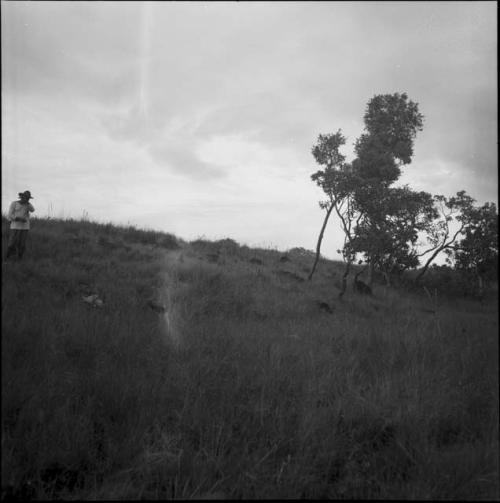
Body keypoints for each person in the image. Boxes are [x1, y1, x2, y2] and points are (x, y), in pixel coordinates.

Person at [6, 191, 35, 260]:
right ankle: (7, 257)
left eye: (28, 198)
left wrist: (28, 203)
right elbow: (10, 215)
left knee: (22, 244)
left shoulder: (28, 205)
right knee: (12, 243)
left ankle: (19, 258)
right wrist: (17, 218)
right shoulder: (14, 203)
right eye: (26, 198)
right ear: (22, 197)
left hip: (25, 227)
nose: (27, 199)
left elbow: (33, 210)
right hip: (14, 226)